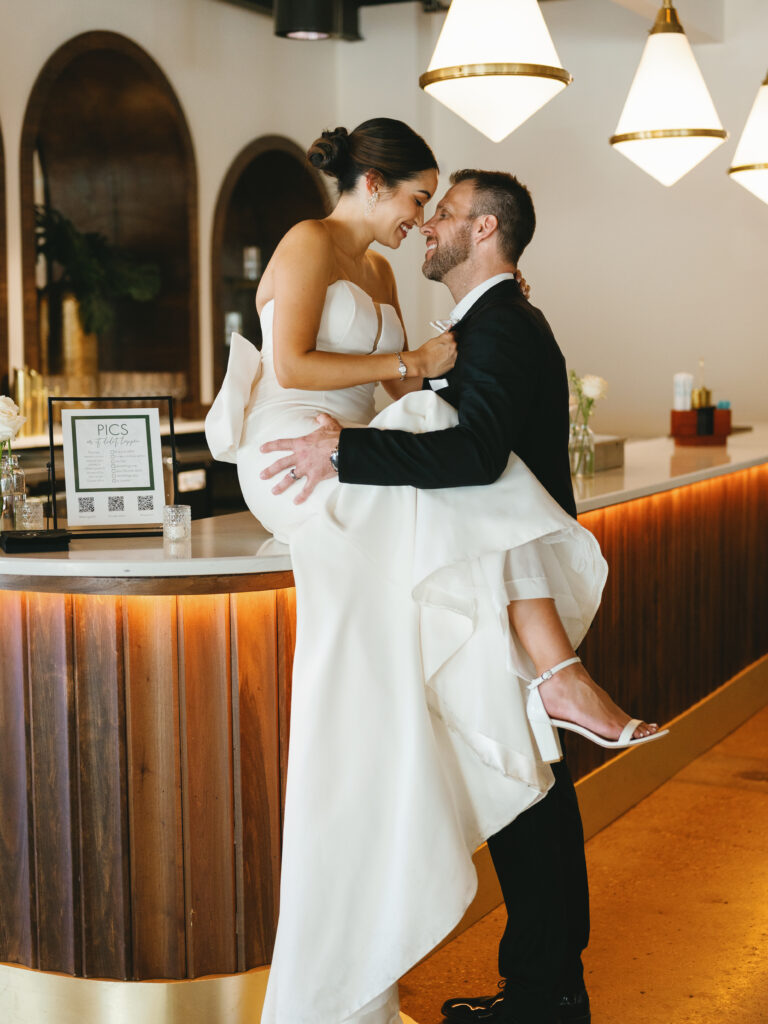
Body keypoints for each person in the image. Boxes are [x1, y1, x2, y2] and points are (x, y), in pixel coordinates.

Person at [206, 120, 662, 1024]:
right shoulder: (308, 243)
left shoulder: (384, 274)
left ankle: (545, 674)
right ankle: (553, 669)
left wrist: (421, 378)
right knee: (468, 477)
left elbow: (400, 401)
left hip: (345, 449)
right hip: (292, 454)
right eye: (421, 201)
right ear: (374, 184)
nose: (423, 221)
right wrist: (416, 367)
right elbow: (299, 365)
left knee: (459, 464)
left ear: (483, 232)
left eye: (441, 210)